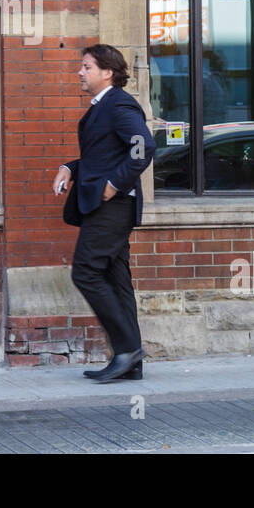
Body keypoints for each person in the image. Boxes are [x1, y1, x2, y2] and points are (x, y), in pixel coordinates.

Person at [51, 44, 156, 383]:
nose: (80, 73)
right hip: (110, 205)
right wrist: (71, 166)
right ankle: (131, 362)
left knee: (85, 271)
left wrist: (114, 184)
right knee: (115, 278)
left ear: (106, 72)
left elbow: (144, 146)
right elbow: (103, 154)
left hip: (111, 206)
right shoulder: (105, 106)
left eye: (86, 67)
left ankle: (127, 350)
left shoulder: (118, 103)